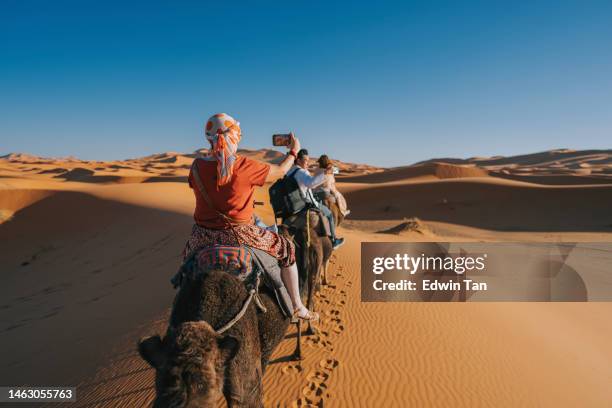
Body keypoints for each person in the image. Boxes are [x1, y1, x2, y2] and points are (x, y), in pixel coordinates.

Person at [183, 113, 318, 321]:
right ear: (234, 136)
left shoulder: (196, 167)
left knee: (186, 265)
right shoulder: (245, 166)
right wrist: (293, 151)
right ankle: (298, 306)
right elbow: (281, 171)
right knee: (287, 249)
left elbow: (204, 187)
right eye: (239, 133)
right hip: (240, 234)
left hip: (202, 236)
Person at [291, 149, 345, 250]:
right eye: (306, 160)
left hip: (313, 195)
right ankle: (333, 239)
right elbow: (336, 173)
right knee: (335, 204)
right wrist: (331, 169)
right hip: (324, 194)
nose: (307, 162)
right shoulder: (328, 171)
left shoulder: (315, 170)